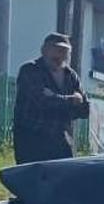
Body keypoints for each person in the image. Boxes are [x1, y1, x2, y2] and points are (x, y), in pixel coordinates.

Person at [12, 33, 90, 164]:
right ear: (44, 50)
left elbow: (84, 110)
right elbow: (41, 102)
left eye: (64, 51)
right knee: (33, 180)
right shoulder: (30, 70)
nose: (59, 55)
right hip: (32, 139)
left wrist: (56, 98)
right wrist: (71, 100)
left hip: (61, 140)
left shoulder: (70, 76)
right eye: (55, 49)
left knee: (64, 180)